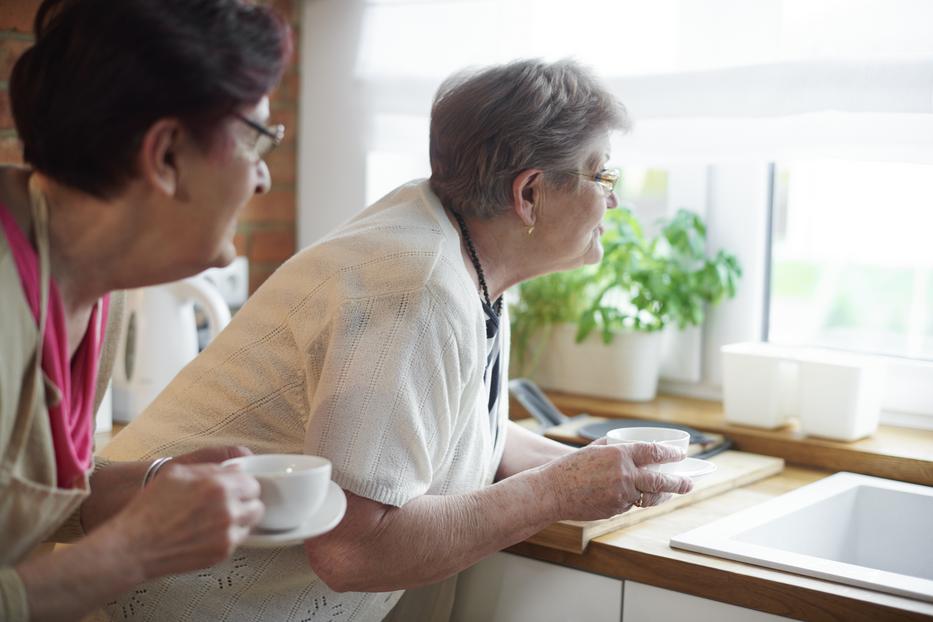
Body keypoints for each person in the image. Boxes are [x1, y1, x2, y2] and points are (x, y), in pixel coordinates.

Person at [97, 58, 693, 621]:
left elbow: (454, 421)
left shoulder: (464, 249)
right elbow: (354, 551)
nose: (613, 197)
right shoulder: (419, 287)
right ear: (530, 193)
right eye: (602, 173)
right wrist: (556, 494)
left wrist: (598, 472)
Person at [0, 1, 292, 620]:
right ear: (165, 156)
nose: (262, 178)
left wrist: (149, 485)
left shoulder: (97, 282)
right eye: (255, 137)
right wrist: (137, 550)